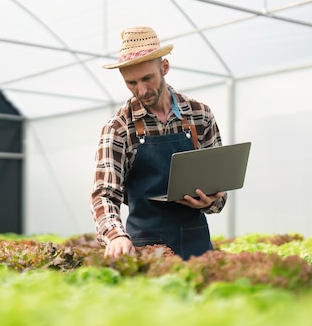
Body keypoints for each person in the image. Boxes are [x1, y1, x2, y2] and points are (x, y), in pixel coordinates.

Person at [90, 26, 227, 261]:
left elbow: (219, 191)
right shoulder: (118, 128)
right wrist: (115, 236)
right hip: (146, 246)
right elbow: (104, 194)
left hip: (197, 244)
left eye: (147, 78)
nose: (141, 90)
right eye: (131, 83)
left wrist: (211, 201)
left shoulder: (200, 115)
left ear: (164, 68)